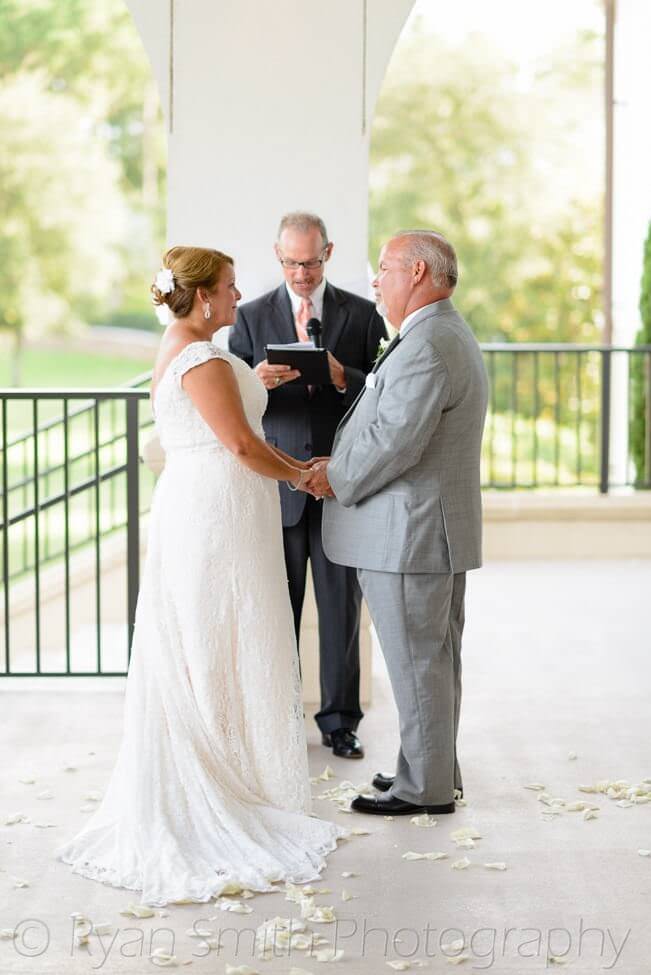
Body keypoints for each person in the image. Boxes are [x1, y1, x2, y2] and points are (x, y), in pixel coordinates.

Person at [56, 246, 345, 905]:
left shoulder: (191, 350)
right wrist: (301, 472)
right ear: (204, 296)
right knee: (221, 639)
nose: (239, 297)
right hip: (215, 517)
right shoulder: (202, 357)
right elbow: (240, 445)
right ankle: (222, 786)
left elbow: (228, 424)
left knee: (219, 639)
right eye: (231, 287)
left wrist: (257, 383)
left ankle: (235, 770)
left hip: (211, 508)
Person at [308, 231, 489, 816]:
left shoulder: (431, 341)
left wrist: (333, 477)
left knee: (419, 664)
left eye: (384, 268)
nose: (375, 279)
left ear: (417, 273)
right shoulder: (435, 333)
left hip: (410, 536)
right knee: (432, 662)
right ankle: (431, 771)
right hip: (421, 533)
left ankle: (425, 790)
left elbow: (394, 442)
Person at [229, 212, 386, 760]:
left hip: (343, 483)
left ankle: (340, 722)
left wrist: (345, 376)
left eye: (311, 262)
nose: (301, 273)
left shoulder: (364, 315)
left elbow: (385, 399)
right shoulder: (248, 317)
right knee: (279, 608)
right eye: (292, 262)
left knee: (342, 610)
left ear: (329, 253)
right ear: (278, 255)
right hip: (280, 486)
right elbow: (232, 400)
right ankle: (276, 718)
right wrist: (257, 380)